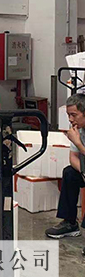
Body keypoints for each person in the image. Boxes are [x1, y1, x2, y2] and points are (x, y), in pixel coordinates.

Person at [45, 93, 85, 244]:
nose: (70, 119)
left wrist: (78, 143)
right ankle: (70, 223)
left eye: (74, 115)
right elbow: (73, 157)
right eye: (68, 115)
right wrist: (83, 172)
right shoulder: (77, 129)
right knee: (69, 173)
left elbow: (79, 149)